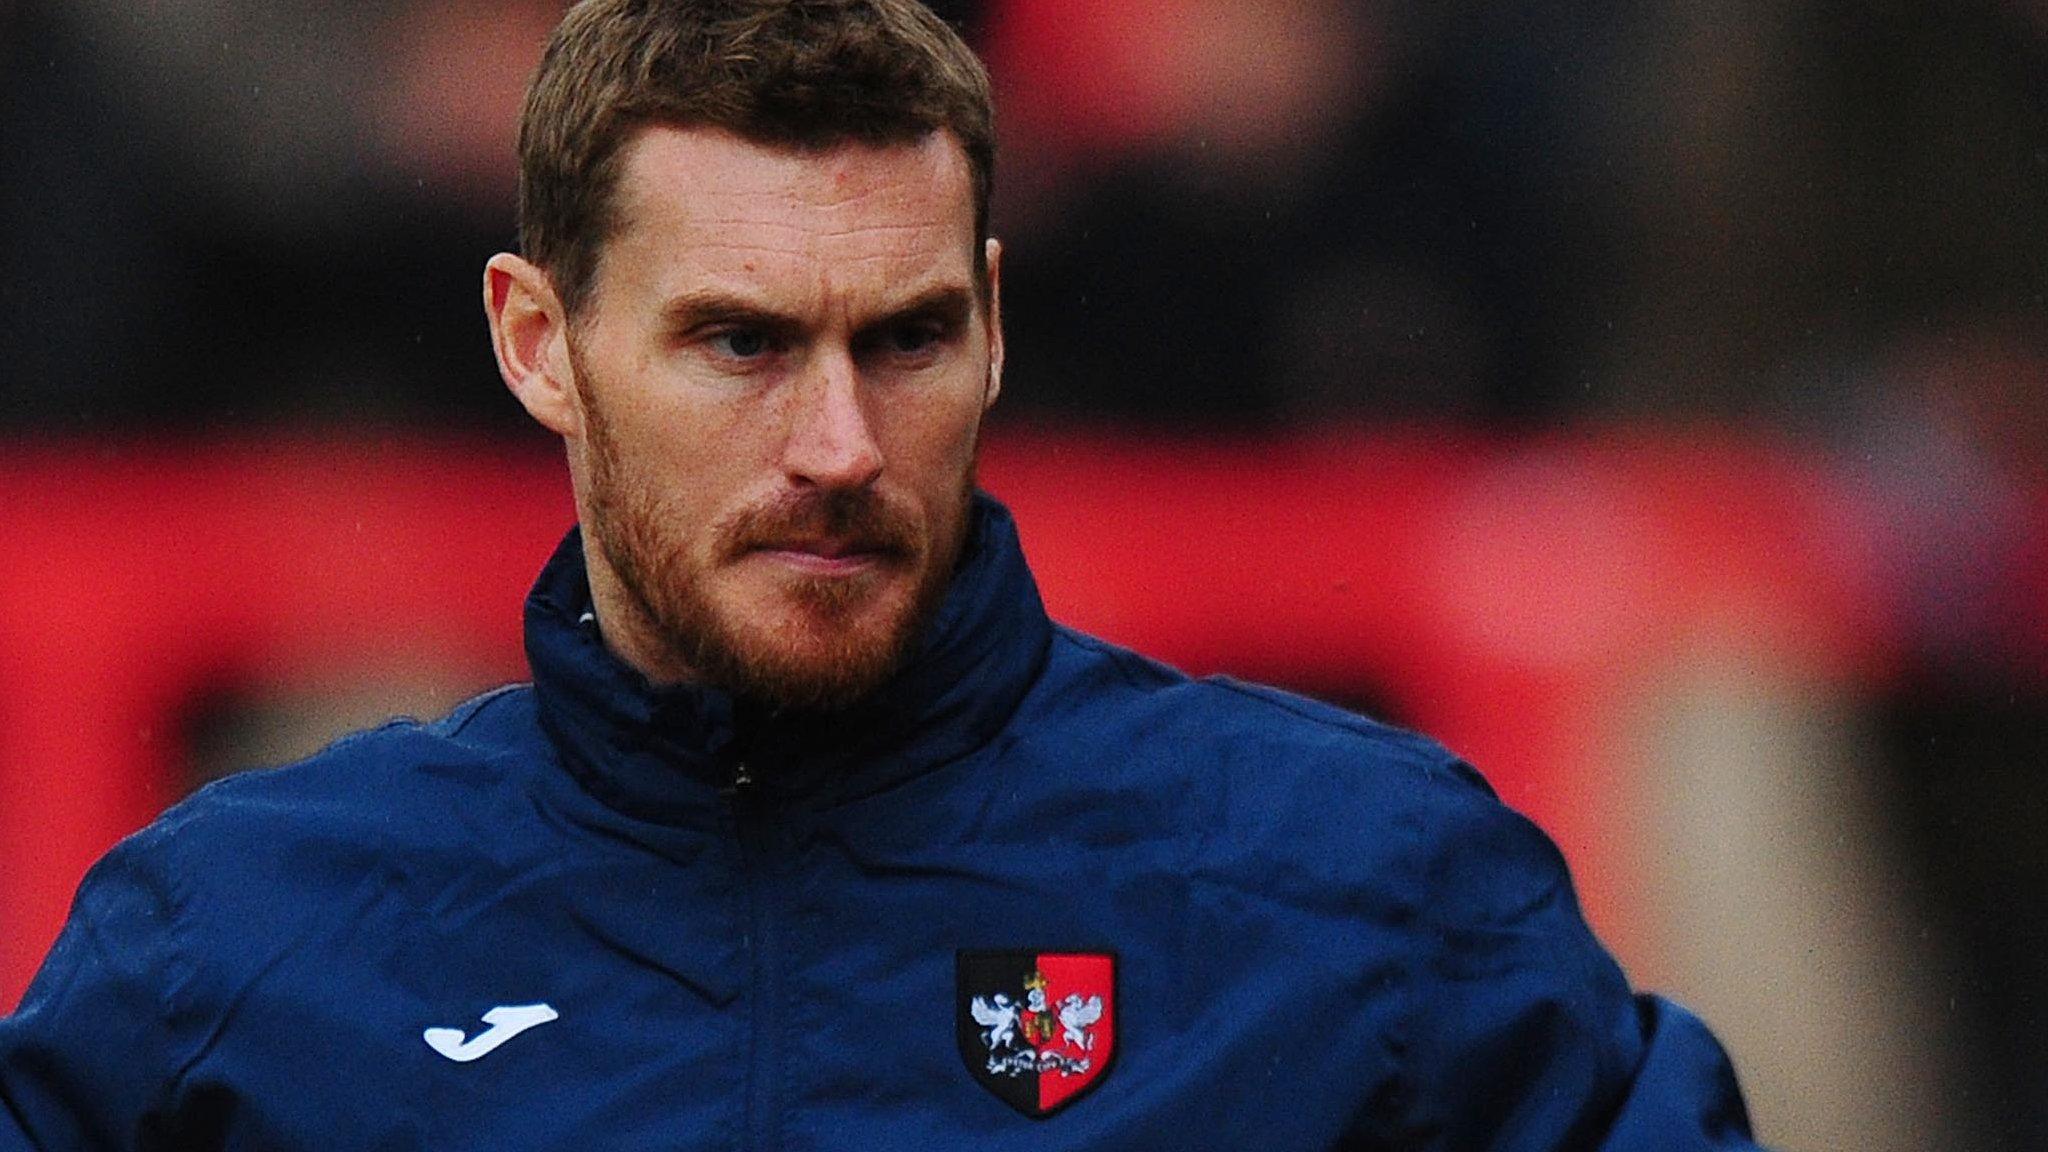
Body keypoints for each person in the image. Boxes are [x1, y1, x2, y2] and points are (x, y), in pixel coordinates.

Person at [0, 1, 1768, 1147]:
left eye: (907, 339)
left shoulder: (1363, 890)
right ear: (539, 344)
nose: (840, 444)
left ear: (997, 326)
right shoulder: (234, 947)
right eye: (742, 346)